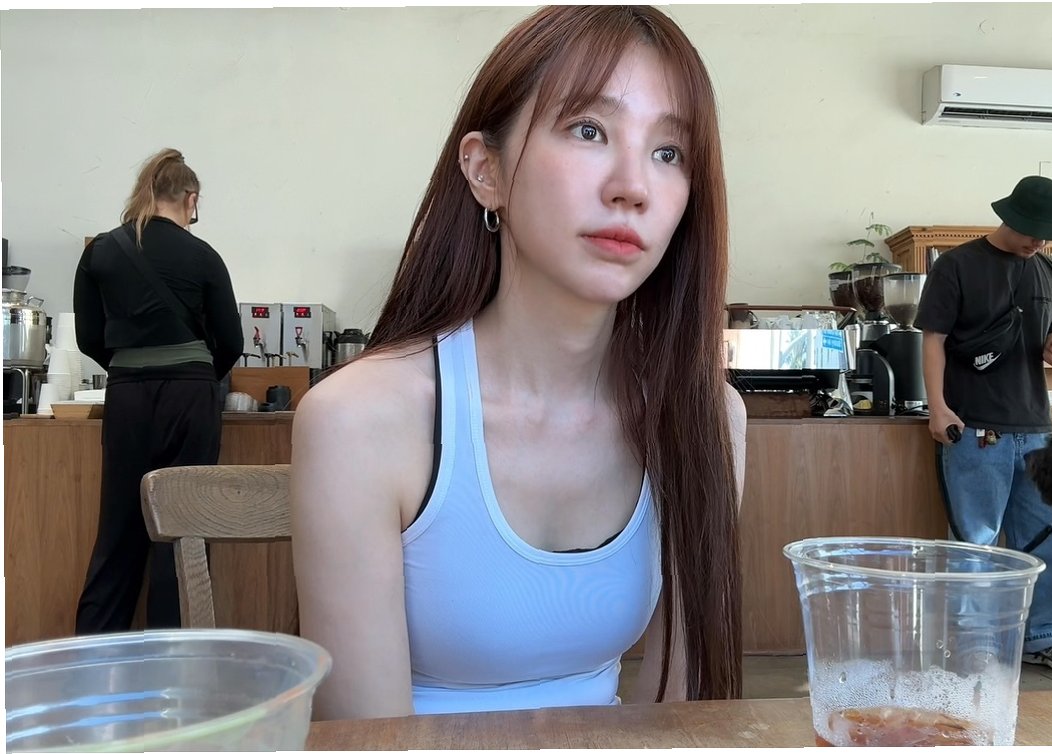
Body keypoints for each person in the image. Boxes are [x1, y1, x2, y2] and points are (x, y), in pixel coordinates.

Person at [290, 5, 747, 721]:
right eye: (589, 130)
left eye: (669, 152)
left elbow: (683, 716)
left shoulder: (705, 414)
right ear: (486, 170)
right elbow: (371, 741)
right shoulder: (360, 419)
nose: (633, 186)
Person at [73, 148, 243, 633]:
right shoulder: (203, 256)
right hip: (190, 399)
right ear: (191, 199)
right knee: (183, 529)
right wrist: (197, 376)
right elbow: (231, 341)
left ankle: (94, 659)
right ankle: (173, 667)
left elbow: (88, 336)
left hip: (127, 396)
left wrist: (130, 371)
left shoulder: (101, 251)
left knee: (118, 533)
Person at [915, 175, 1052, 672]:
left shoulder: (1048, 270)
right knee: (975, 542)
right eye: (1032, 231)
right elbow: (934, 339)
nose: (1039, 242)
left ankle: (1042, 635)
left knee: (1046, 537)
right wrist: (938, 407)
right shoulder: (957, 266)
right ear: (1008, 216)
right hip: (975, 427)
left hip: (1037, 425)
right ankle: (975, 642)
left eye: (1047, 234)